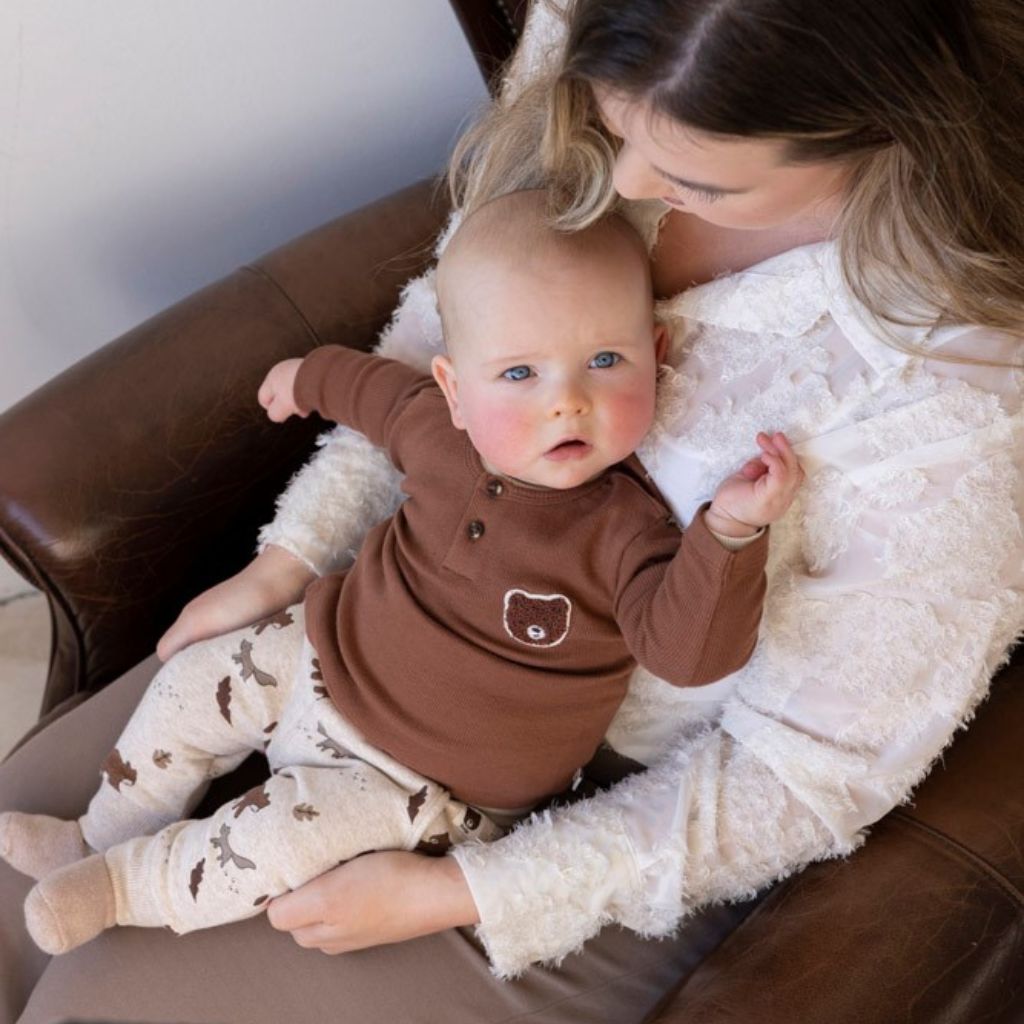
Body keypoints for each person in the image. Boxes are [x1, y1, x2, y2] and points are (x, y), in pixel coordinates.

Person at [2, 0, 1022, 1020]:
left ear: (890, 121)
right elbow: (438, 351)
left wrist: (469, 888)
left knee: (97, 995)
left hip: (563, 802)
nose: (616, 189)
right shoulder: (616, 28)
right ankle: (102, 844)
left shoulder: (952, 394)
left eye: (699, 177)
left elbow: (800, 777)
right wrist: (290, 556)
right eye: (609, 126)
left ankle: (128, 877)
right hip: (367, 627)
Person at [1, 191, 801, 957]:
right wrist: (306, 376)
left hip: (424, 784)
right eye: (519, 374)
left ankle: (119, 888)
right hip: (322, 649)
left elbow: (688, 655)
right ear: (455, 389)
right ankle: (100, 829)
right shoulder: (437, 431)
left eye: (603, 360)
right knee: (191, 682)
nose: (568, 403)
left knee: (275, 839)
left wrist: (728, 535)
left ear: (656, 359)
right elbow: (374, 392)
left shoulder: (629, 531)